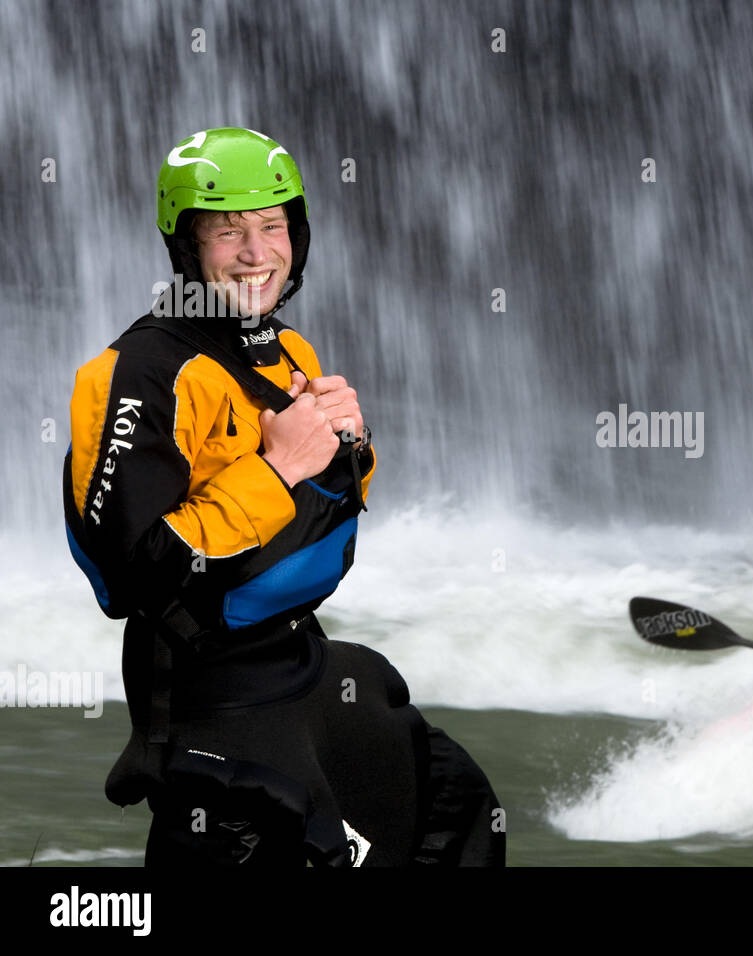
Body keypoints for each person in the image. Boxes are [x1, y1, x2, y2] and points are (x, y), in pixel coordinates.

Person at [63, 127, 504, 866]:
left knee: (456, 808)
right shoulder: (136, 374)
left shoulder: (288, 351)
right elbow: (130, 573)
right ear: (186, 246)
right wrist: (274, 468)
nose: (255, 252)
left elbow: (318, 515)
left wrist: (352, 447)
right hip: (211, 701)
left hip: (301, 662)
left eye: (272, 226)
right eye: (226, 230)